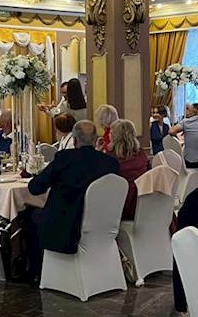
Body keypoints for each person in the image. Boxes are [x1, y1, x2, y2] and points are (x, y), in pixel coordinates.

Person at [25, 121, 120, 278]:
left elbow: (35, 188)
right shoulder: (110, 163)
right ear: (96, 140)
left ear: (74, 141)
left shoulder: (64, 159)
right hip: (101, 224)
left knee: (30, 214)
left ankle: (35, 270)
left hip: (66, 226)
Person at [108, 119, 150, 220]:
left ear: (114, 137)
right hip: (143, 202)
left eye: (110, 133)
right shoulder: (141, 154)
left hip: (121, 206)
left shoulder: (110, 158)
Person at [169, 103, 198, 170]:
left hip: (190, 163)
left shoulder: (186, 122)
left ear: (196, 111)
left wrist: (178, 137)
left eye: (189, 110)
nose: (187, 112)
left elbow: (171, 131)